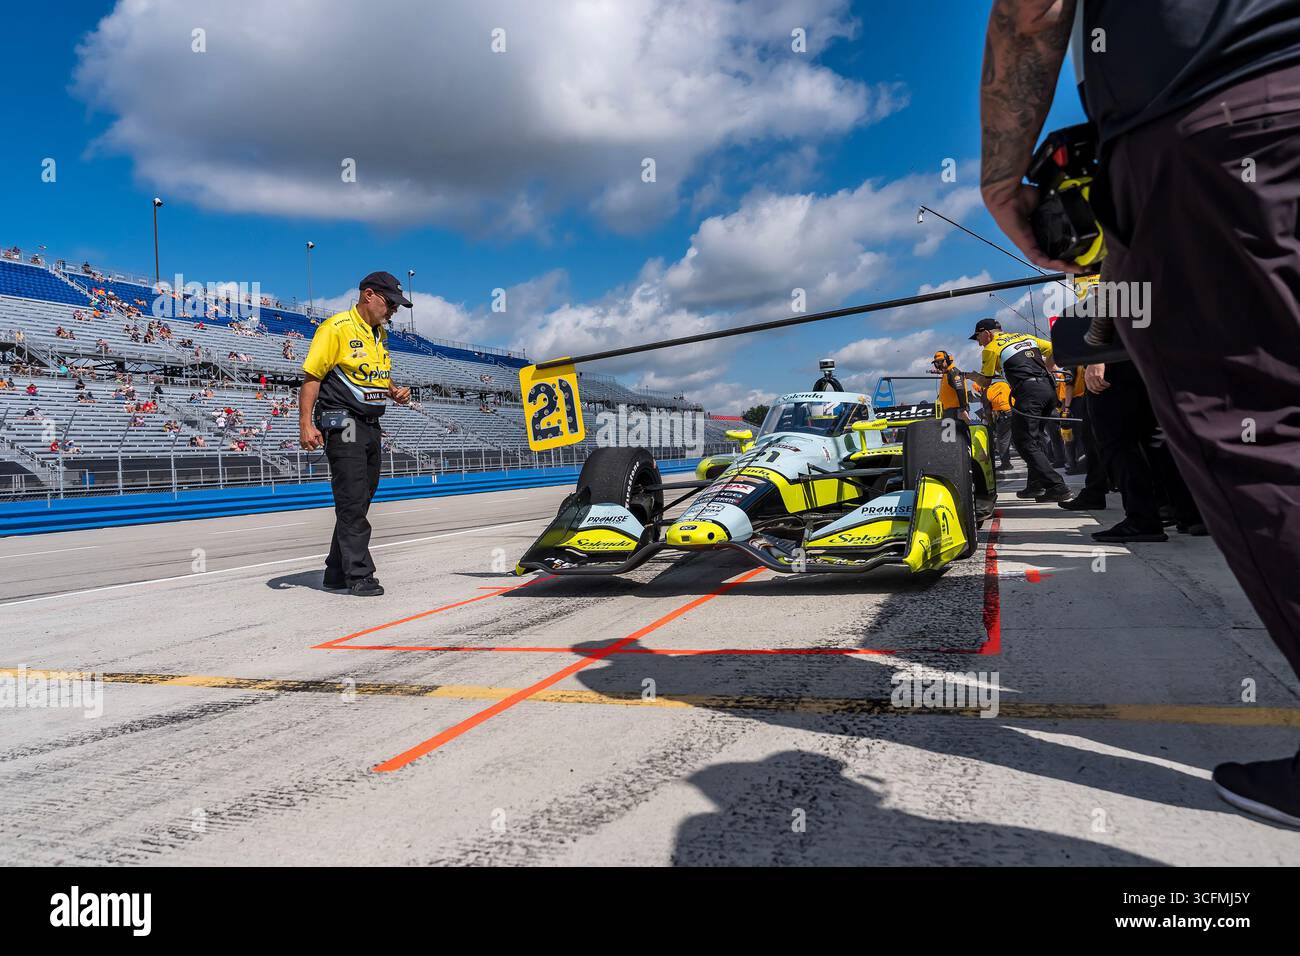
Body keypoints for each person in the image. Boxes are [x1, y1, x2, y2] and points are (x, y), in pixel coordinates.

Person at [980, 0, 1300, 825]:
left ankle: (1118, 506)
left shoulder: (1000, 349)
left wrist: (1000, 179)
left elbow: (1031, 11)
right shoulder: (977, 358)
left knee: (1253, 424)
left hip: (1217, 115)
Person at [299, 271, 412, 597]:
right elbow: (312, 377)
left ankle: (336, 571)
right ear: (368, 295)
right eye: (390, 303)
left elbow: (373, 374)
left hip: (371, 424)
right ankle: (359, 574)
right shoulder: (335, 329)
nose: (393, 311)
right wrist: (305, 424)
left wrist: (393, 391)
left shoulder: (380, 334)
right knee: (351, 498)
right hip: (343, 421)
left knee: (360, 499)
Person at [966, 318, 1068, 501]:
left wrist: (970, 375)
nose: (979, 343)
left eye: (978, 337)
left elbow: (985, 382)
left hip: (1029, 393)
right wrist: (1048, 367)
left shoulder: (991, 348)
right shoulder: (1025, 336)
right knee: (1034, 438)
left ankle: (1057, 486)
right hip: (1048, 390)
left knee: (1023, 441)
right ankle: (1035, 485)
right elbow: (1055, 347)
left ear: (987, 333)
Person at [931, 350, 971, 422]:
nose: (938, 365)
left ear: (947, 360)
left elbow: (960, 390)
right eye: (936, 363)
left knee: (959, 432)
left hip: (956, 411)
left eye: (940, 362)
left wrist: (963, 409)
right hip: (949, 412)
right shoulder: (947, 374)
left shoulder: (953, 372)